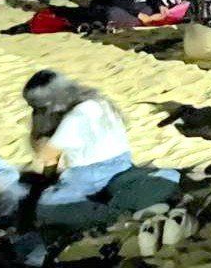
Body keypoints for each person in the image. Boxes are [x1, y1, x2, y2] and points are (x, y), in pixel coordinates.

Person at [23, 70, 177, 218]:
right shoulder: (101, 102)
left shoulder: (74, 118)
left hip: (88, 175)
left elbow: (47, 156)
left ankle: (112, 215)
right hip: (123, 165)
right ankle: (135, 200)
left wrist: (48, 182)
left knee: (47, 205)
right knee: (166, 176)